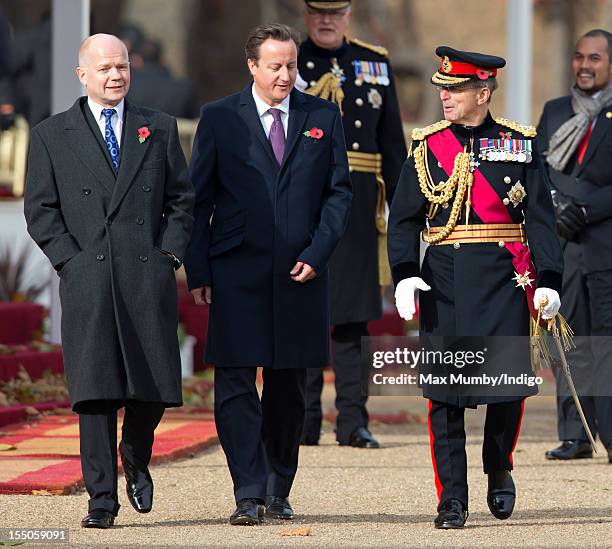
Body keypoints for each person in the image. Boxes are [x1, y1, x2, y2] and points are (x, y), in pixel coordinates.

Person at [388, 47, 564, 528]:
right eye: (442, 88)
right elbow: (403, 220)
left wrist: (549, 281)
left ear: (482, 92)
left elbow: (542, 223)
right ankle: (452, 498)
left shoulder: (518, 144)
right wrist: (404, 273)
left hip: (505, 278)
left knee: (506, 390)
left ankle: (499, 465)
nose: (444, 96)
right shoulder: (426, 146)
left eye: (456, 89)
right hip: (444, 278)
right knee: (445, 395)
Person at [24, 34, 194, 529]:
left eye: (121, 67)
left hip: (146, 275)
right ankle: (101, 498)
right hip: (89, 278)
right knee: (95, 392)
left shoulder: (157, 128)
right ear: (82, 75)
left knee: (156, 386)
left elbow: (181, 201)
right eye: (104, 69)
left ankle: (135, 453)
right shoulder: (51, 135)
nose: (115, 76)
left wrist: (167, 255)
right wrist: (70, 262)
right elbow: (41, 209)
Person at [183, 23, 351, 525]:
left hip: (301, 271)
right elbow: (199, 199)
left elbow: (339, 193)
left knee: (288, 385)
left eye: (291, 66)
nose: (284, 75)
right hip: (237, 270)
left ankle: (278, 486)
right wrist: (198, 268)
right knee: (235, 381)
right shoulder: (219, 118)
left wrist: (319, 253)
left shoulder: (322, 114)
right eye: (274, 66)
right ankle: (247, 491)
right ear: (252, 66)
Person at [298, 0, 406, 448]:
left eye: (335, 12)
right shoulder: (289, 59)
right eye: (317, 11)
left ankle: (352, 420)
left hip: (360, 200)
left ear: (349, 14)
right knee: (302, 311)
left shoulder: (373, 62)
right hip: (303, 198)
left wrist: (404, 212)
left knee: (355, 316)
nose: (326, 20)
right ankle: (302, 420)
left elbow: (392, 143)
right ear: (306, 14)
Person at [537, 29, 612, 463]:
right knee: (565, 340)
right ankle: (575, 433)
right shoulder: (555, 111)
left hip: (604, 244)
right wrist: (556, 206)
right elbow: (538, 170)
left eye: (596, 58)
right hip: (562, 245)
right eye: (579, 57)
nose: (585, 65)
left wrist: (584, 211)